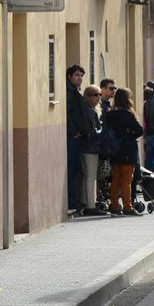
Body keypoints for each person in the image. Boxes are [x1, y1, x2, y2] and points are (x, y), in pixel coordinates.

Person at [102, 88, 144, 216]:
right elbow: (139, 130)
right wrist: (130, 133)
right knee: (127, 180)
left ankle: (114, 206)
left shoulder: (110, 114)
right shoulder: (128, 114)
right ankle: (128, 206)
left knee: (115, 179)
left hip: (114, 150)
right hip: (127, 149)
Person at [80, 85, 108, 216]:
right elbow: (91, 132)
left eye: (99, 95)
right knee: (91, 176)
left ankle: (87, 202)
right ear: (88, 96)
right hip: (90, 147)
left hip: (87, 146)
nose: (98, 98)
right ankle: (90, 205)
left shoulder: (90, 110)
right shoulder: (89, 111)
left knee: (87, 176)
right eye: (95, 95)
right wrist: (102, 131)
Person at [66, 64, 88, 211]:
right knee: (71, 169)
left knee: (75, 169)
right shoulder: (69, 92)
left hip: (78, 137)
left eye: (81, 75)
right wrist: (74, 132)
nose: (79, 78)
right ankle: (71, 199)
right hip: (73, 137)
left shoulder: (75, 91)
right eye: (77, 75)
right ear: (70, 76)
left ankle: (73, 198)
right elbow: (67, 113)